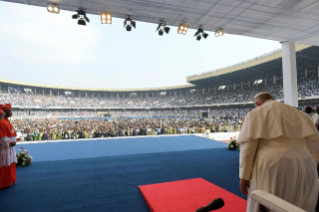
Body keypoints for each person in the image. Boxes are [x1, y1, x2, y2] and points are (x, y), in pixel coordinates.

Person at [238, 93, 319, 212]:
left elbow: (247, 150)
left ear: (257, 104)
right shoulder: (301, 114)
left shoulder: (255, 113)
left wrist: (244, 176)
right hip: (306, 163)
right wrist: (312, 165)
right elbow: (314, 146)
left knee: (269, 205)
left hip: (273, 166)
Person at [0, 105, 17, 189]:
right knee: (4, 164)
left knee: (10, 163)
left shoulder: (6, 120)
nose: (11, 112)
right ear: (5, 112)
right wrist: (10, 142)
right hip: (4, 147)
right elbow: (2, 137)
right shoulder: (2, 121)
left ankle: (10, 180)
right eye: (10, 111)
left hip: (9, 147)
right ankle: (4, 182)